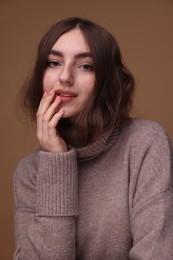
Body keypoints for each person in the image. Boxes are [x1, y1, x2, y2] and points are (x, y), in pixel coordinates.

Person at [13, 17, 173, 259]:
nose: (65, 77)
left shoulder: (145, 143)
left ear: (107, 80)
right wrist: (56, 164)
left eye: (85, 66)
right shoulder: (29, 172)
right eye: (54, 62)